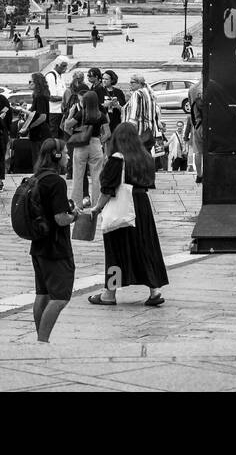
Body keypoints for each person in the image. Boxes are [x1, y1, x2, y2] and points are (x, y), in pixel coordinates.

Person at [87, 121, 168, 307]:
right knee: (146, 248)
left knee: (115, 251)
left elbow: (108, 188)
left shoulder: (117, 158)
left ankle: (110, 293)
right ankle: (155, 290)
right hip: (142, 207)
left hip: (122, 206)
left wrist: (97, 207)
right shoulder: (146, 157)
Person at [27, 138, 79, 343]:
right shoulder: (56, 182)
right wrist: (74, 216)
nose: (67, 156)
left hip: (38, 245)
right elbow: (60, 218)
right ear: (56, 156)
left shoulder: (36, 177)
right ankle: (42, 341)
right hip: (56, 248)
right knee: (59, 298)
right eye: (65, 153)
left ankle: (40, 340)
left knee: (42, 295)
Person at [64, 89, 107, 212]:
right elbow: (108, 133)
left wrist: (71, 114)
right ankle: (97, 204)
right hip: (95, 144)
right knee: (97, 175)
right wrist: (100, 141)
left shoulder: (80, 114)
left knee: (77, 175)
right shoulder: (101, 115)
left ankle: (77, 204)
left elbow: (66, 127)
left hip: (81, 144)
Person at [124, 72, 159, 148]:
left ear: (139, 83)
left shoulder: (137, 94)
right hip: (150, 132)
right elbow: (157, 112)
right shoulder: (150, 93)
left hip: (139, 134)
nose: (130, 84)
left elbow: (133, 117)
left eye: (132, 82)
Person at [184, 78, 205, 184]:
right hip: (209, 124)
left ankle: (199, 175)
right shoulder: (210, 86)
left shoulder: (192, 89)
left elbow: (190, 106)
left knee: (198, 152)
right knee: (209, 151)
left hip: (197, 124)